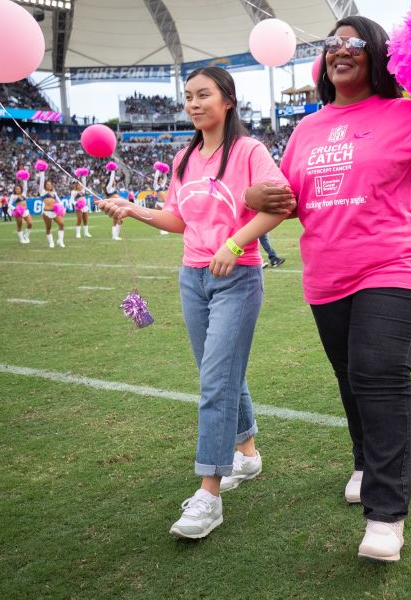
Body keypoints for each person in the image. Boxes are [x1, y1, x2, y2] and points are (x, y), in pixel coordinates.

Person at [243, 15, 411, 562]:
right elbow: (289, 199)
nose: (340, 50)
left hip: (396, 265)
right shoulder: (306, 128)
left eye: (354, 42)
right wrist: (259, 198)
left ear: (379, 54)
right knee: (351, 378)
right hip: (327, 275)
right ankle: (363, 460)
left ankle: (386, 513)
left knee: (378, 371)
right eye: (332, 43)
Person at [96, 67, 285, 541]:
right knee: (217, 375)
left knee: (216, 381)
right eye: (189, 97)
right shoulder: (184, 158)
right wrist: (133, 208)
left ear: (228, 100)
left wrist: (236, 244)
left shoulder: (249, 151)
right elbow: (179, 218)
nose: (194, 103)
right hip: (192, 279)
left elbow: (280, 202)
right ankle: (248, 453)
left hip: (237, 277)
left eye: (204, 95)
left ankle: (209, 494)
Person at [38, 172, 66, 248]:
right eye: (47, 184)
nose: (49, 185)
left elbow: (59, 201)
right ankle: (51, 242)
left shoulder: (54, 193)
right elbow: (41, 181)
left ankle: (60, 241)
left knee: (62, 224)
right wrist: (42, 173)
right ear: (44, 186)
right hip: (46, 212)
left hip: (55, 212)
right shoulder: (42, 192)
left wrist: (61, 208)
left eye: (50, 184)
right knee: (48, 228)